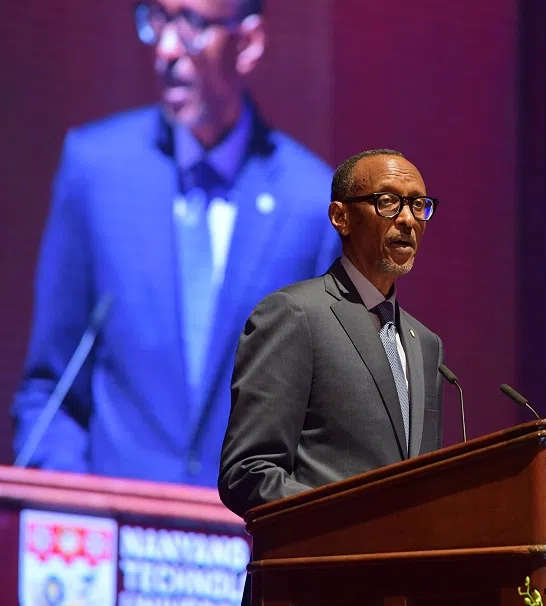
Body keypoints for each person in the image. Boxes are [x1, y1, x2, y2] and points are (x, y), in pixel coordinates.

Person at [10, 0, 340, 486]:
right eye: (158, 20)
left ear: (247, 43)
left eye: (191, 26)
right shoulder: (98, 172)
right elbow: (51, 391)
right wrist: (75, 504)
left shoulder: (312, 209)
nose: (165, 48)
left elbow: (327, 433)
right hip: (112, 534)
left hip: (245, 547)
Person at [218, 149, 445, 517]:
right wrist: (348, 525)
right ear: (341, 217)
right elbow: (248, 473)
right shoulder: (294, 314)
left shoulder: (427, 346)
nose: (407, 219)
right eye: (388, 202)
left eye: (419, 204)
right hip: (318, 568)